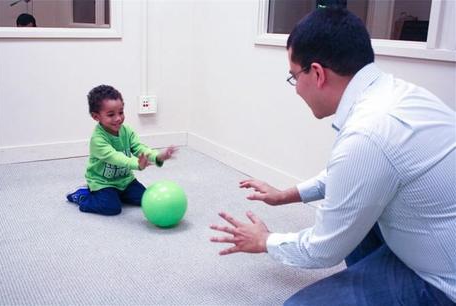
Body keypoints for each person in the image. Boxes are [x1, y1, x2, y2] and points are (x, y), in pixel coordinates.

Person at [210, 6, 456, 306]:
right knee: (353, 208)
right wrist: (286, 195)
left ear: (316, 73)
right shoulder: (395, 93)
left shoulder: (367, 133)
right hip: (436, 241)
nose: (296, 89)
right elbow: (354, 177)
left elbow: (323, 250)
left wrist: (265, 241)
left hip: (443, 283)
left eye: (293, 77)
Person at [66, 85, 177, 216]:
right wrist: (137, 164)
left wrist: (158, 156)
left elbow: (139, 148)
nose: (118, 118)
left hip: (125, 180)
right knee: (111, 208)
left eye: (121, 112)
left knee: (146, 198)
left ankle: (119, 195)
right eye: (111, 114)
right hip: (103, 182)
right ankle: (83, 196)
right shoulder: (98, 139)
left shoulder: (127, 131)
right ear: (96, 117)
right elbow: (115, 157)